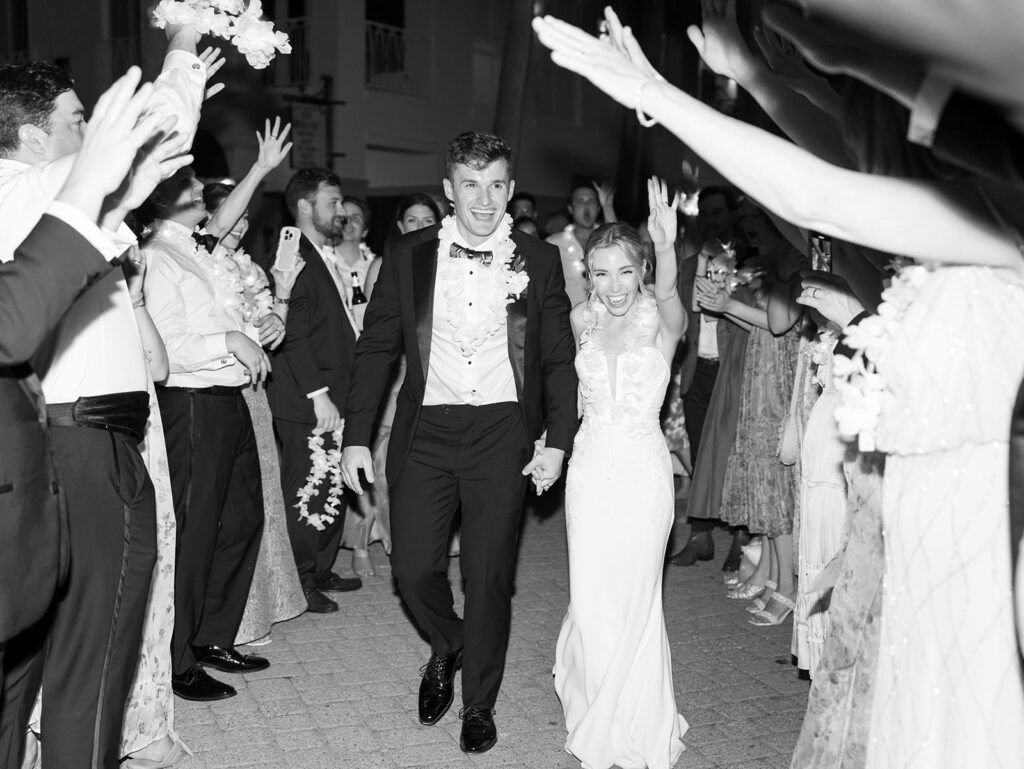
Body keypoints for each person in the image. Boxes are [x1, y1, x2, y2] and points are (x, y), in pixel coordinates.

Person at [532, 7, 1024, 766]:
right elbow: (837, 171)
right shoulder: (957, 235)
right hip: (925, 527)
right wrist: (777, 73)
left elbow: (818, 193)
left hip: (982, 536)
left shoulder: (993, 227)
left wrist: (659, 92)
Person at [0, 25, 209, 767]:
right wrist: (182, 40)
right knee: (93, 658)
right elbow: (158, 136)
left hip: (39, 453)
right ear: (29, 135)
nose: (93, 134)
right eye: (78, 121)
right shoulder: (33, 189)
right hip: (86, 451)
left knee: (23, 661)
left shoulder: (36, 200)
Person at [341, 131, 578, 755]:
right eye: (470, 185)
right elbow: (376, 349)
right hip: (427, 431)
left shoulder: (540, 259)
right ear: (449, 190)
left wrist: (558, 438)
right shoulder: (408, 253)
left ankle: (480, 702)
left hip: (503, 433)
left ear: (510, 189)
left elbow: (557, 358)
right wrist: (356, 436)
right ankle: (449, 643)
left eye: (496, 184)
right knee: (412, 569)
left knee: (488, 574)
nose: (484, 199)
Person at [143, 117, 293, 703]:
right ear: (159, 198)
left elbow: (224, 225)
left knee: (242, 520)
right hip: (191, 403)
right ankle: (178, 661)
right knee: (195, 531)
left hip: (228, 402)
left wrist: (258, 325)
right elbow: (166, 346)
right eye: (186, 183)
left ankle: (211, 636)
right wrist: (228, 343)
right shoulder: (157, 258)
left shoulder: (199, 250)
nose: (200, 188)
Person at [554, 178, 688, 768]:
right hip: (588, 470)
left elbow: (676, 301)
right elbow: (562, 391)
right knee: (591, 594)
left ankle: (629, 717)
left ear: (642, 271)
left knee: (635, 596)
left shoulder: (661, 319)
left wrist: (668, 247)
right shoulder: (580, 317)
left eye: (625, 272)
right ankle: (593, 696)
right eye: (601, 273)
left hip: (641, 471)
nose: (612, 286)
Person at [199, 182, 309, 647]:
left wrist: (279, 304)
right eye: (232, 215)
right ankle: (226, 618)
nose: (240, 225)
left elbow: (271, 335)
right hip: (213, 389)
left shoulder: (250, 270)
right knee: (226, 507)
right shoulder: (199, 265)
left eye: (245, 217)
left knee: (262, 496)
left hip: (254, 389)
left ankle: (263, 603)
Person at [266, 168, 363, 615]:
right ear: (304, 206)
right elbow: (295, 332)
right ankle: (300, 579)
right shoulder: (291, 247)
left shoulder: (323, 252)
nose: (341, 211)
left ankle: (321, 568)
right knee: (307, 488)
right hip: (308, 397)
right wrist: (318, 392)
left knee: (329, 483)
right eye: (332, 203)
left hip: (332, 393)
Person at [346, 193, 444, 577]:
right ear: (400, 226)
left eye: (427, 221)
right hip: (395, 372)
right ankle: (363, 541)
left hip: (435, 374)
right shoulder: (384, 265)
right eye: (412, 220)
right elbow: (376, 329)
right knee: (382, 463)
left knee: (421, 465)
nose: (419, 227)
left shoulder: (449, 265)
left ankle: (413, 541)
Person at [546, 181, 618, 306]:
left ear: (598, 208)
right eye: (580, 201)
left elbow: (622, 245)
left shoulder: (608, 239)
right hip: (567, 319)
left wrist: (608, 207)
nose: (586, 205)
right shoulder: (554, 243)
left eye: (591, 201)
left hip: (606, 316)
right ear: (570, 208)